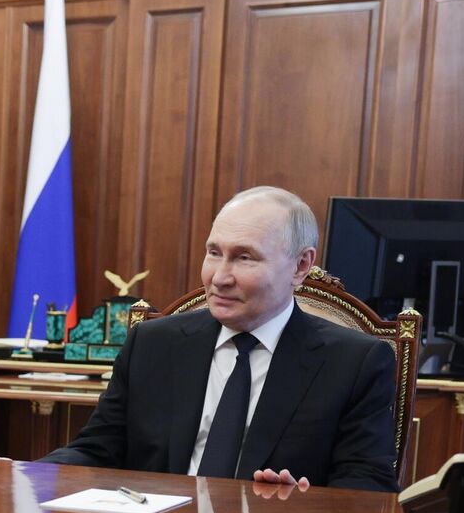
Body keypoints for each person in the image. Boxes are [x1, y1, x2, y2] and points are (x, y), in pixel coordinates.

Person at [34, 185, 398, 492]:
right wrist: (26, 476)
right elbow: (97, 450)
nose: (219, 278)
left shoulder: (354, 363)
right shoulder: (152, 344)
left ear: (301, 265)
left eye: (244, 258)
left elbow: (368, 486)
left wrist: (306, 507)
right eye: (214, 253)